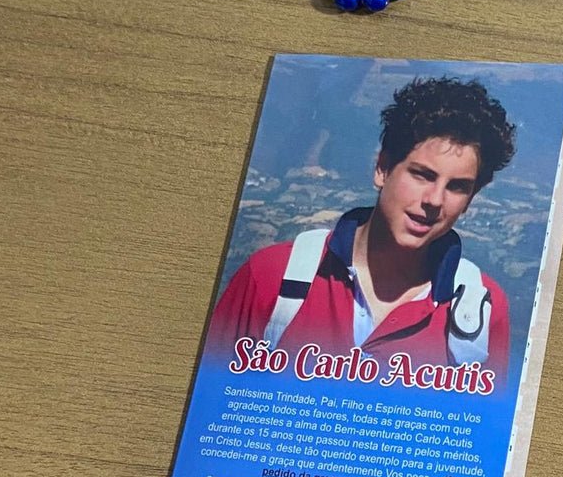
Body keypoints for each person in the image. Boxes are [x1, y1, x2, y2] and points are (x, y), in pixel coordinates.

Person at [206, 76, 515, 376]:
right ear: (383, 168)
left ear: (471, 198)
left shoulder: (480, 313)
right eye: (422, 175)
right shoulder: (270, 277)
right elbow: (212, 401)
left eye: (457, 187)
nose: (434, 200)